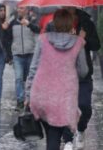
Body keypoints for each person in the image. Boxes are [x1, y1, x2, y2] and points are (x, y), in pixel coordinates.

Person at [25, 9, 88, 150]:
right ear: (71, 23)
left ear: (55, 22)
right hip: (64, 98)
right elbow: (83, 71)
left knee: (51, 135)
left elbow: (33, 68)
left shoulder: (42, 39)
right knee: (56, 134)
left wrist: (28, 94)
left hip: (42, 95)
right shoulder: (78, 43)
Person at [46, 8, 101, 149]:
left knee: (85, 106)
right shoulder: (53, 24)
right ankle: (68, 140)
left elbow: (96, 45)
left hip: (83, 73)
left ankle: (81, 129)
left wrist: (83, 39)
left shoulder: (86, 22)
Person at [8, 6, 40, 110]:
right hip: (17, 55)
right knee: (18, 78)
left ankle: (29, 101)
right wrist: (9, 54)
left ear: (26, 10)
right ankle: (20, 101)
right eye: (18, 8)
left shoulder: (33, 21)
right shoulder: (12, 22)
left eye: (22, 8)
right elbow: (7, 37)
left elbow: (39, 30)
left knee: (29, 79)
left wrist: (29, 24)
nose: (19, 10)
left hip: (30, 54)